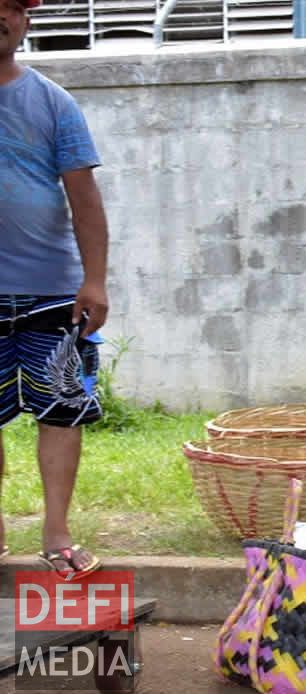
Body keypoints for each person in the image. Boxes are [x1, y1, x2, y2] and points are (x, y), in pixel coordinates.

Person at [0, 0, 109, 580]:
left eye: (9, 8)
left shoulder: (54, 102)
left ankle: (57, 532)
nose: (1, 17)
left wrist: (94, 280)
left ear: (25, 23)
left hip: (52, 292)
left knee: (60, 410)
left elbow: (84, 200)